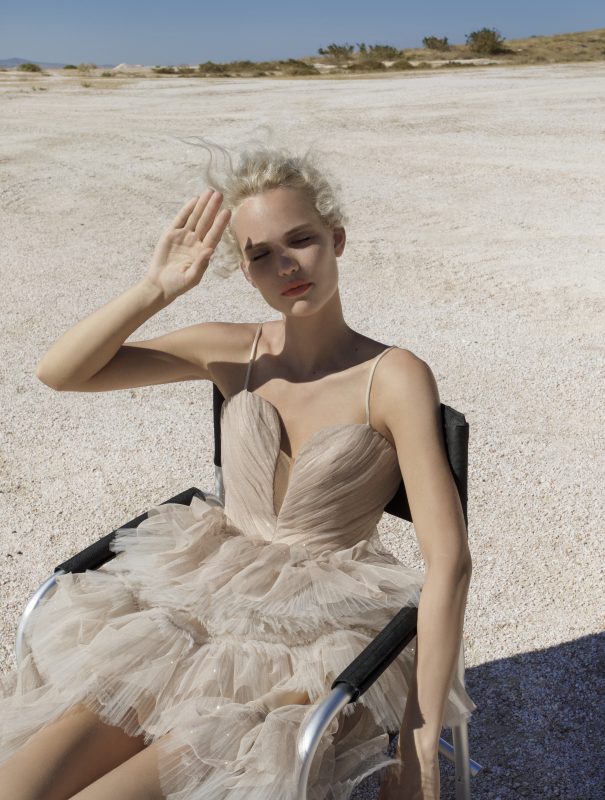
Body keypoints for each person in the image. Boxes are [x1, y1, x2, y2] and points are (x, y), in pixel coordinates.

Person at [0, 142, 475, 800]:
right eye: (260, 255)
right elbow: (61, 372)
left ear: (336, 240)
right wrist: (155, 289)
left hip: (306, 643)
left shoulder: (392, 377)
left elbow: (449, 561)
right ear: (247, 273)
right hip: (188, 607)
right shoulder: (231, 349)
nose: (286, 266)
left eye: (301, 240)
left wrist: (419, 750)